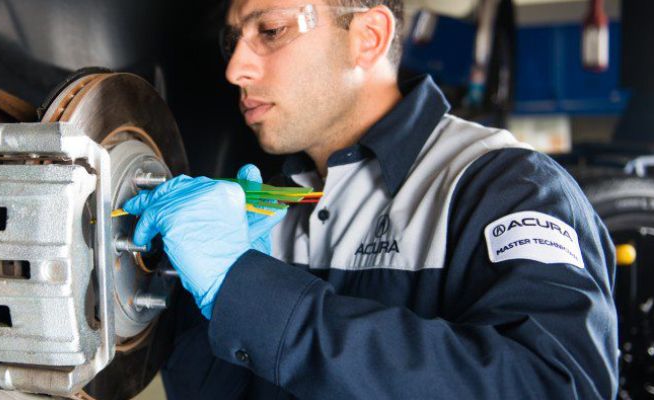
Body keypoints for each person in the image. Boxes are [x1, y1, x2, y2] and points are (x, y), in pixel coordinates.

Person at [122, 0, 619, 398]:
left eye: (269, 31)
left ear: (369, 37)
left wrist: (249, 292)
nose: (234, 69)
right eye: (233, 40)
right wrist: (194, 303)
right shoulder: (271, 204)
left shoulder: (504, 187)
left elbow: (556, 385)